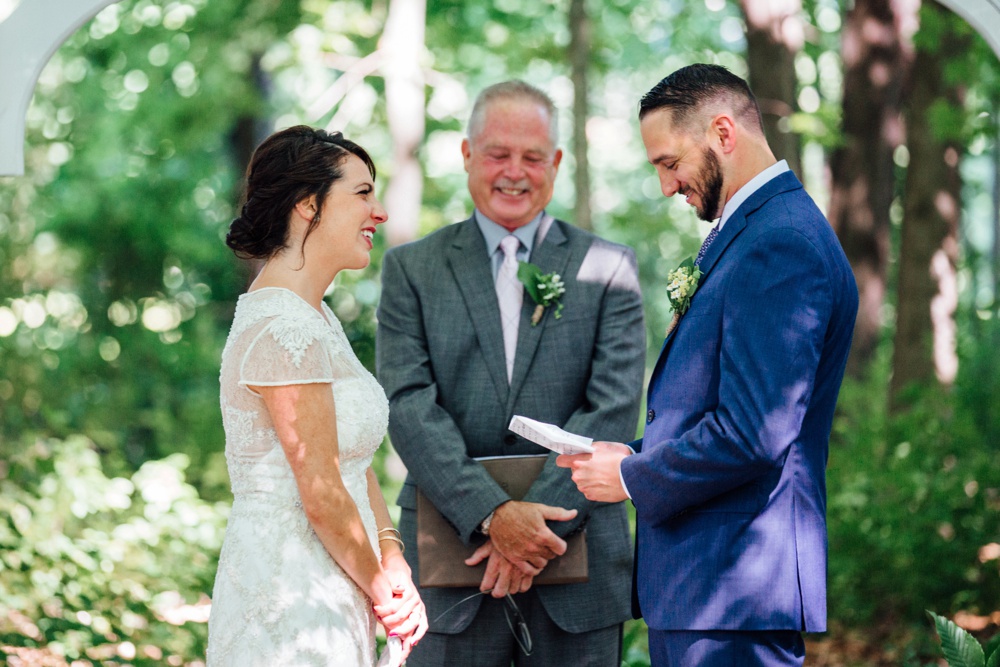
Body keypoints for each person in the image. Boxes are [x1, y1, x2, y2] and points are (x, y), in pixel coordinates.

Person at [557, 64, 858, 667]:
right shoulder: (753, 232)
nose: (667, 186)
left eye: (670, 163)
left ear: (723, 132)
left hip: (734, 588)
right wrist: (631, 455)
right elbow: (716, 411)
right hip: (707, 589)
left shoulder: (781, 242)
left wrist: (633, 477)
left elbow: (754, 431)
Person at [376, 81, 646, 666]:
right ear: (468, 154)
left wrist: (533, 527)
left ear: (555, 163)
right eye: (498, 154)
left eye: (532, 157)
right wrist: (492, 515)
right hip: (449, 563)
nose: (514, 173)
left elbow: (614, 408)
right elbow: (407, 404)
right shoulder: (411, 269)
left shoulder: (609, 267)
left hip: (578, 563)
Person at [207, 125, 427, 666]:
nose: (379, 212)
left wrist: (392, 555)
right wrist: (386, 595)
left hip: (338, 577)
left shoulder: (316, 317)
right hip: (291, 592)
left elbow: (353, 464)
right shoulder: (282, 326)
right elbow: (322, 491)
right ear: (308, 205)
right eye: (362, 193)